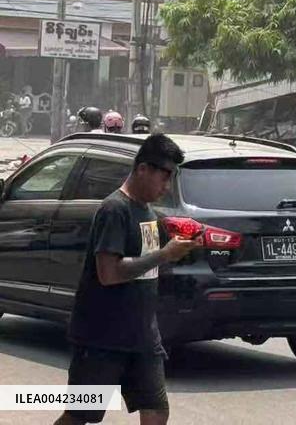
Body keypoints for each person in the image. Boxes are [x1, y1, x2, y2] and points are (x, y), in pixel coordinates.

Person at [54, 133, 199, 425]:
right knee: (79, 416)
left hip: (143, 338)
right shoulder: (114, 210)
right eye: (164, 177)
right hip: (101, 340)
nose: (166, 186)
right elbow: (109, 273)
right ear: (143, 169)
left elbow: (147, 270)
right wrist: (164, 255)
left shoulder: (147, 213)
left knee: (157, 410)